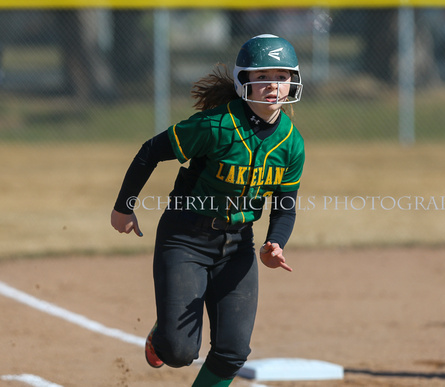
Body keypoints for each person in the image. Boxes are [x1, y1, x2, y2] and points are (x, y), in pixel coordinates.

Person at [110, 34, 305, 386]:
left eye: (281, 75)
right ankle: (162, 335)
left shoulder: (291, 142)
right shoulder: (216, 125)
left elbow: (285, 206)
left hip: (238, 247)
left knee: (233, 351)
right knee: (178, 352)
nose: (273, 85)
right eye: (261, 77)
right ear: (243, 80)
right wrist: (124, 207)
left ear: (293, 80)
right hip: (186, 237)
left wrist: (274, 243)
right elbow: (150, 152)